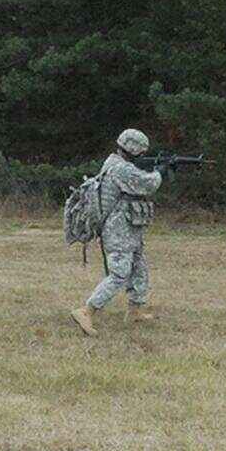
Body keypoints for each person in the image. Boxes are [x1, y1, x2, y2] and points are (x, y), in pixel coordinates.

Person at [71, 128, 163, 337]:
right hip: (118, 229)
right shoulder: (120, 169)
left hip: (129, 227)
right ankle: (87, 310)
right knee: (120, 272)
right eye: (140, 152)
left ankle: (135, 310)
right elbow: (148, 184)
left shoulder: (117, 163)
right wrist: (160, 171)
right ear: (132, 150)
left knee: (139, 266)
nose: (142, 155)